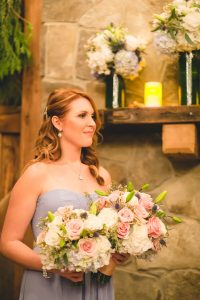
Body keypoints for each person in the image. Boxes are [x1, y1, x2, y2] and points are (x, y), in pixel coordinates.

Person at [0, 89, 128, 300]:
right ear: (58, 123)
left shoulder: (101, 176)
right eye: (82, 115)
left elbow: (108, 239)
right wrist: (55, 267)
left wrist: (118, 252)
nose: (92, 123)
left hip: (95, 285)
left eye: (92, 116)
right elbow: (8, 243)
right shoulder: (37, 173)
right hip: (50, 285)